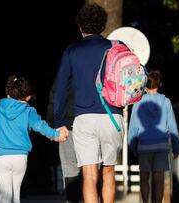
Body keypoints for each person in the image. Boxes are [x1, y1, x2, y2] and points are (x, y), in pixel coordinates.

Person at [53, 3, 124, 203]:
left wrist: (60, 121)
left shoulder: (71, 51)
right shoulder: (117, 46)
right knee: (109, 171)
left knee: (89, 174)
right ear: (103, 25)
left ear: (80, 27)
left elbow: (61, 90)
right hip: (113, 116)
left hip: (84, 118)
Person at [0, 75, 68, 203]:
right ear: (28, 97)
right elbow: (40, 125)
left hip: (2, 157)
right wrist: (55, 134)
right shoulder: (28, 111)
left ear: (8, 93)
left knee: (5, 197)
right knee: (16, 196)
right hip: (20, 157)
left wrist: (0, 128)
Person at [128, 70, 179, 203]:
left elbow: (133, 128)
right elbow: (172, 127)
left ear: (145, 86)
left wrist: (132, 147)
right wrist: (176, 147)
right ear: (160, 84)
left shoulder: (138, 103)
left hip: (144, 145)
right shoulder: (166, 102)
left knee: (144, 177)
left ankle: (145, 201)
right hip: (161, 146)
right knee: (159, 178)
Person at [47, 80, 81, 203]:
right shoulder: (96, 67)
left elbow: (55, 99)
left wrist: (51, 126)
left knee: (70, 167)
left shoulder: (64, 74)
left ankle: (72, 200)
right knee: (92, 168)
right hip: (90, 122)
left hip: (68, 125)